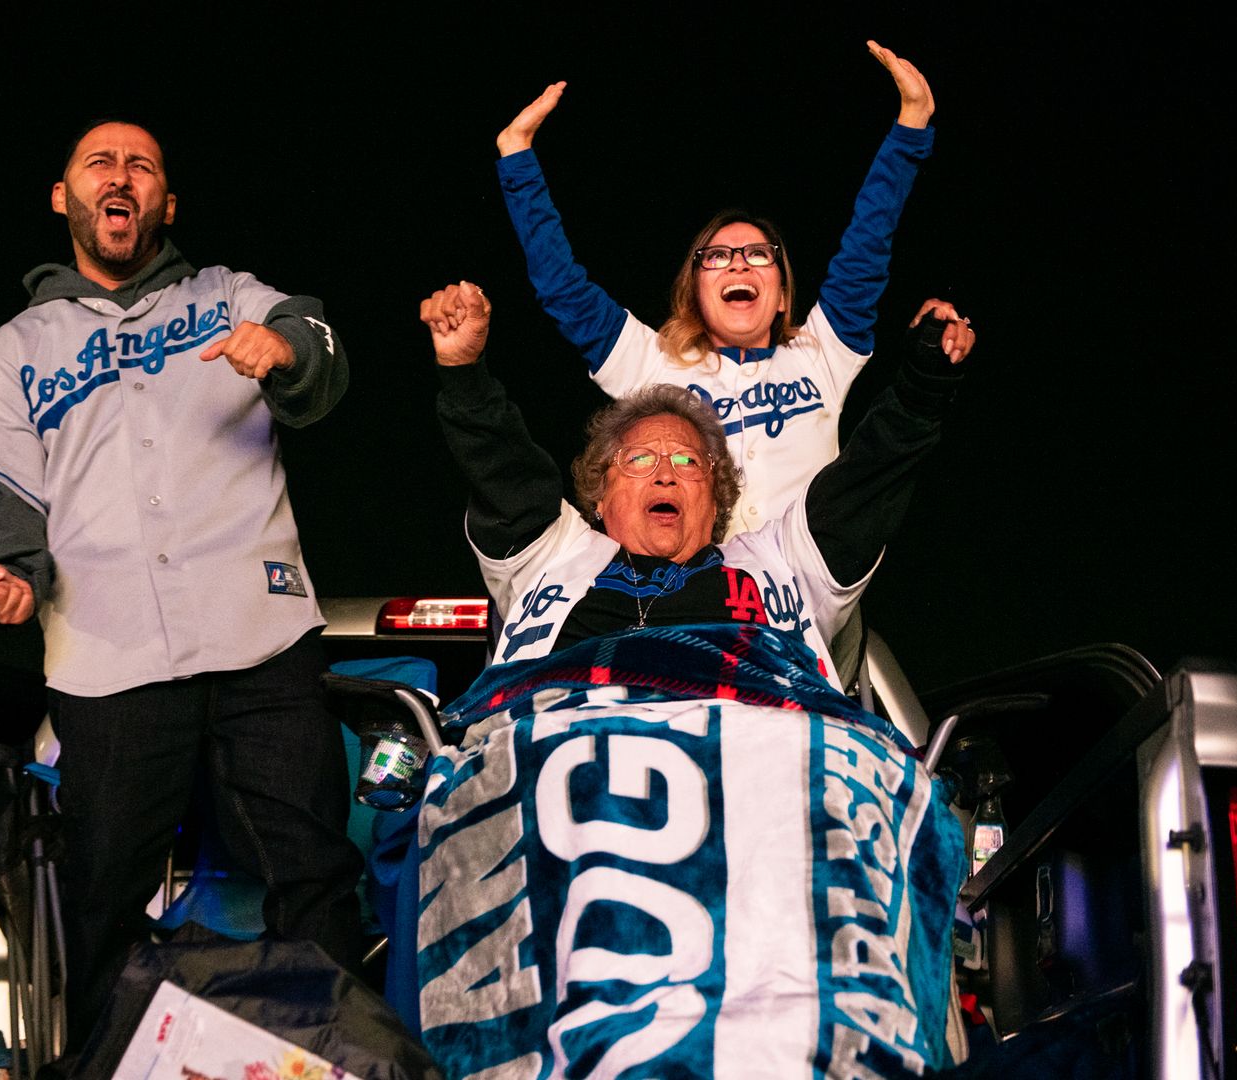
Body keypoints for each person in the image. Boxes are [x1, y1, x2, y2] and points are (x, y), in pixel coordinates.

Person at [408, 280, 976, 1077]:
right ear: (603, 498)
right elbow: (500, 459)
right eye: (640, 460)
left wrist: (922, 382)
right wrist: (464, 371)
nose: (666, 472)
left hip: (764, 778)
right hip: (563, 767)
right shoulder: (554, 552)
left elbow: (870, 478)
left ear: (719, 498)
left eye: (688, 462)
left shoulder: (780, 559)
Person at [0, 119, 362, 1050]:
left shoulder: (225, 296)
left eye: (142, 166)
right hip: (109, 659)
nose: (120, 177)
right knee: (96, 902)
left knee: (316, 872)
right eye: (100, 162)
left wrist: (285, 351)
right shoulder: (20, 347)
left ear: (167, 203)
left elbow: (313, 326)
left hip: (259, 638)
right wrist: (3, 569)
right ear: (65, 197)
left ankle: (330, 1063)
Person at [494, 41, 971, 541]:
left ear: (784, 295)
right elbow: (563, 288)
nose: (738, 263)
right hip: (696, 603)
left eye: (759, 254)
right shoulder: (650, 364)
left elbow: (869, 239)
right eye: (717, 257)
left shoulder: (822, 353)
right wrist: (517, 157)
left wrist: (912, 123)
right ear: (695, 293)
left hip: (808, 602)